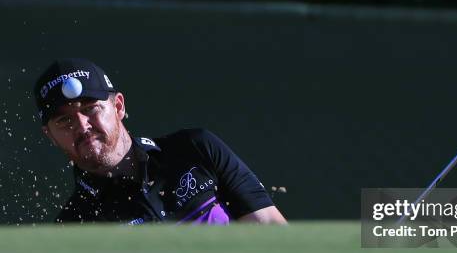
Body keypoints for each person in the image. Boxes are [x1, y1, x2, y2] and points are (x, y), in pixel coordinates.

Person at [33, 58, 287, 225]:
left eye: (91, 109)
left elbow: (270, 227)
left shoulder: (193, 149)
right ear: (50, 135)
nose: (82, 126)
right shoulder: (75, 225)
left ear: (118, 106)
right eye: (64, 122)